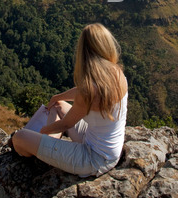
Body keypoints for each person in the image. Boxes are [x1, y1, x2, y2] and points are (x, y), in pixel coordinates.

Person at [11, 23, 128, 177]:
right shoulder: (117, 73)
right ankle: (46, 148)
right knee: (58, 105)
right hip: (101, 143)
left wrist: (42, 132)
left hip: (93, 159)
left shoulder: (87, 92)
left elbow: (66, 124)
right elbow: (86, 92)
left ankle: (41, 153)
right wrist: (58, 97)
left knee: (19, 138)